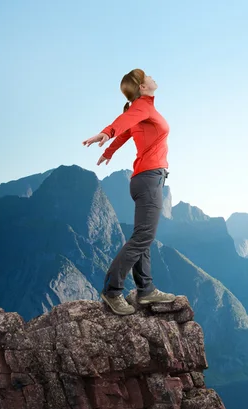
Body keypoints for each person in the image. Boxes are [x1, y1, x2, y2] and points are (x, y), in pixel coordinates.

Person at [82, 68, 176, 315]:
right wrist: (106, 132)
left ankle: (145, 290)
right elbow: (121, 124)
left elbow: (126, 132)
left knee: (142, 236)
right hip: (149, 178)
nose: (154, 77)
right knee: (143, 237)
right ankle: (112, 291)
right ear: (142, 87)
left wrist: (108, 151)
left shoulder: (143, 111)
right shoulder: (142, 106)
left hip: (144, 179)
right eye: (148, 77)